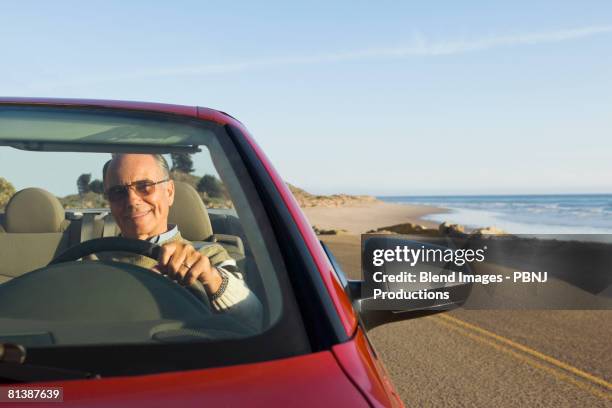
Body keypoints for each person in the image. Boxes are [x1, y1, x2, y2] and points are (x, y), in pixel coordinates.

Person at [101, 153, 262, 330]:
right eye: (118, 192)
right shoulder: (89, 260)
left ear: (169, 192)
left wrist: (211, 278)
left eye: (145, 186)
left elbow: (254, 319)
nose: (132, 201)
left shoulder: (208, 255)